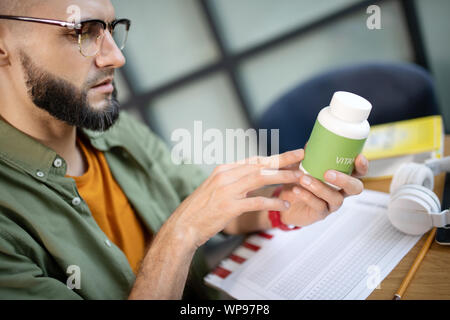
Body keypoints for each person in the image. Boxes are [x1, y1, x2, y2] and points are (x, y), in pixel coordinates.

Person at [0, 0, 368, 300]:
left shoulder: (111, 129)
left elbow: (217, 211)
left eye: (111, 30)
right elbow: (193, 220)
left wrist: (285, 204)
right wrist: (182, 234)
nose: (115, 57)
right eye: (83, 32)